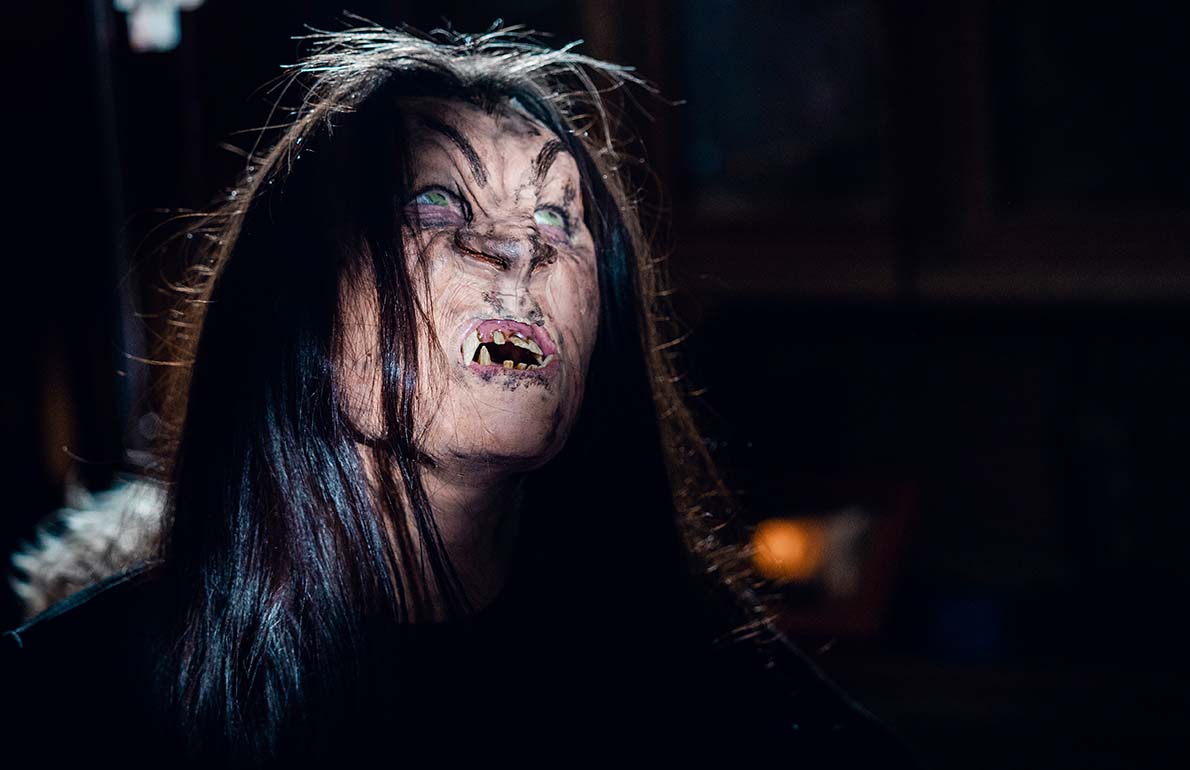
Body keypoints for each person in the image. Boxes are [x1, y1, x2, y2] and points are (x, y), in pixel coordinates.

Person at [1, 22, 920, 768]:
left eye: (557, 213)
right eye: (434, 204)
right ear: (297, 300)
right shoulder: (77, 697)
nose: (520, 249)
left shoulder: (697, 669)